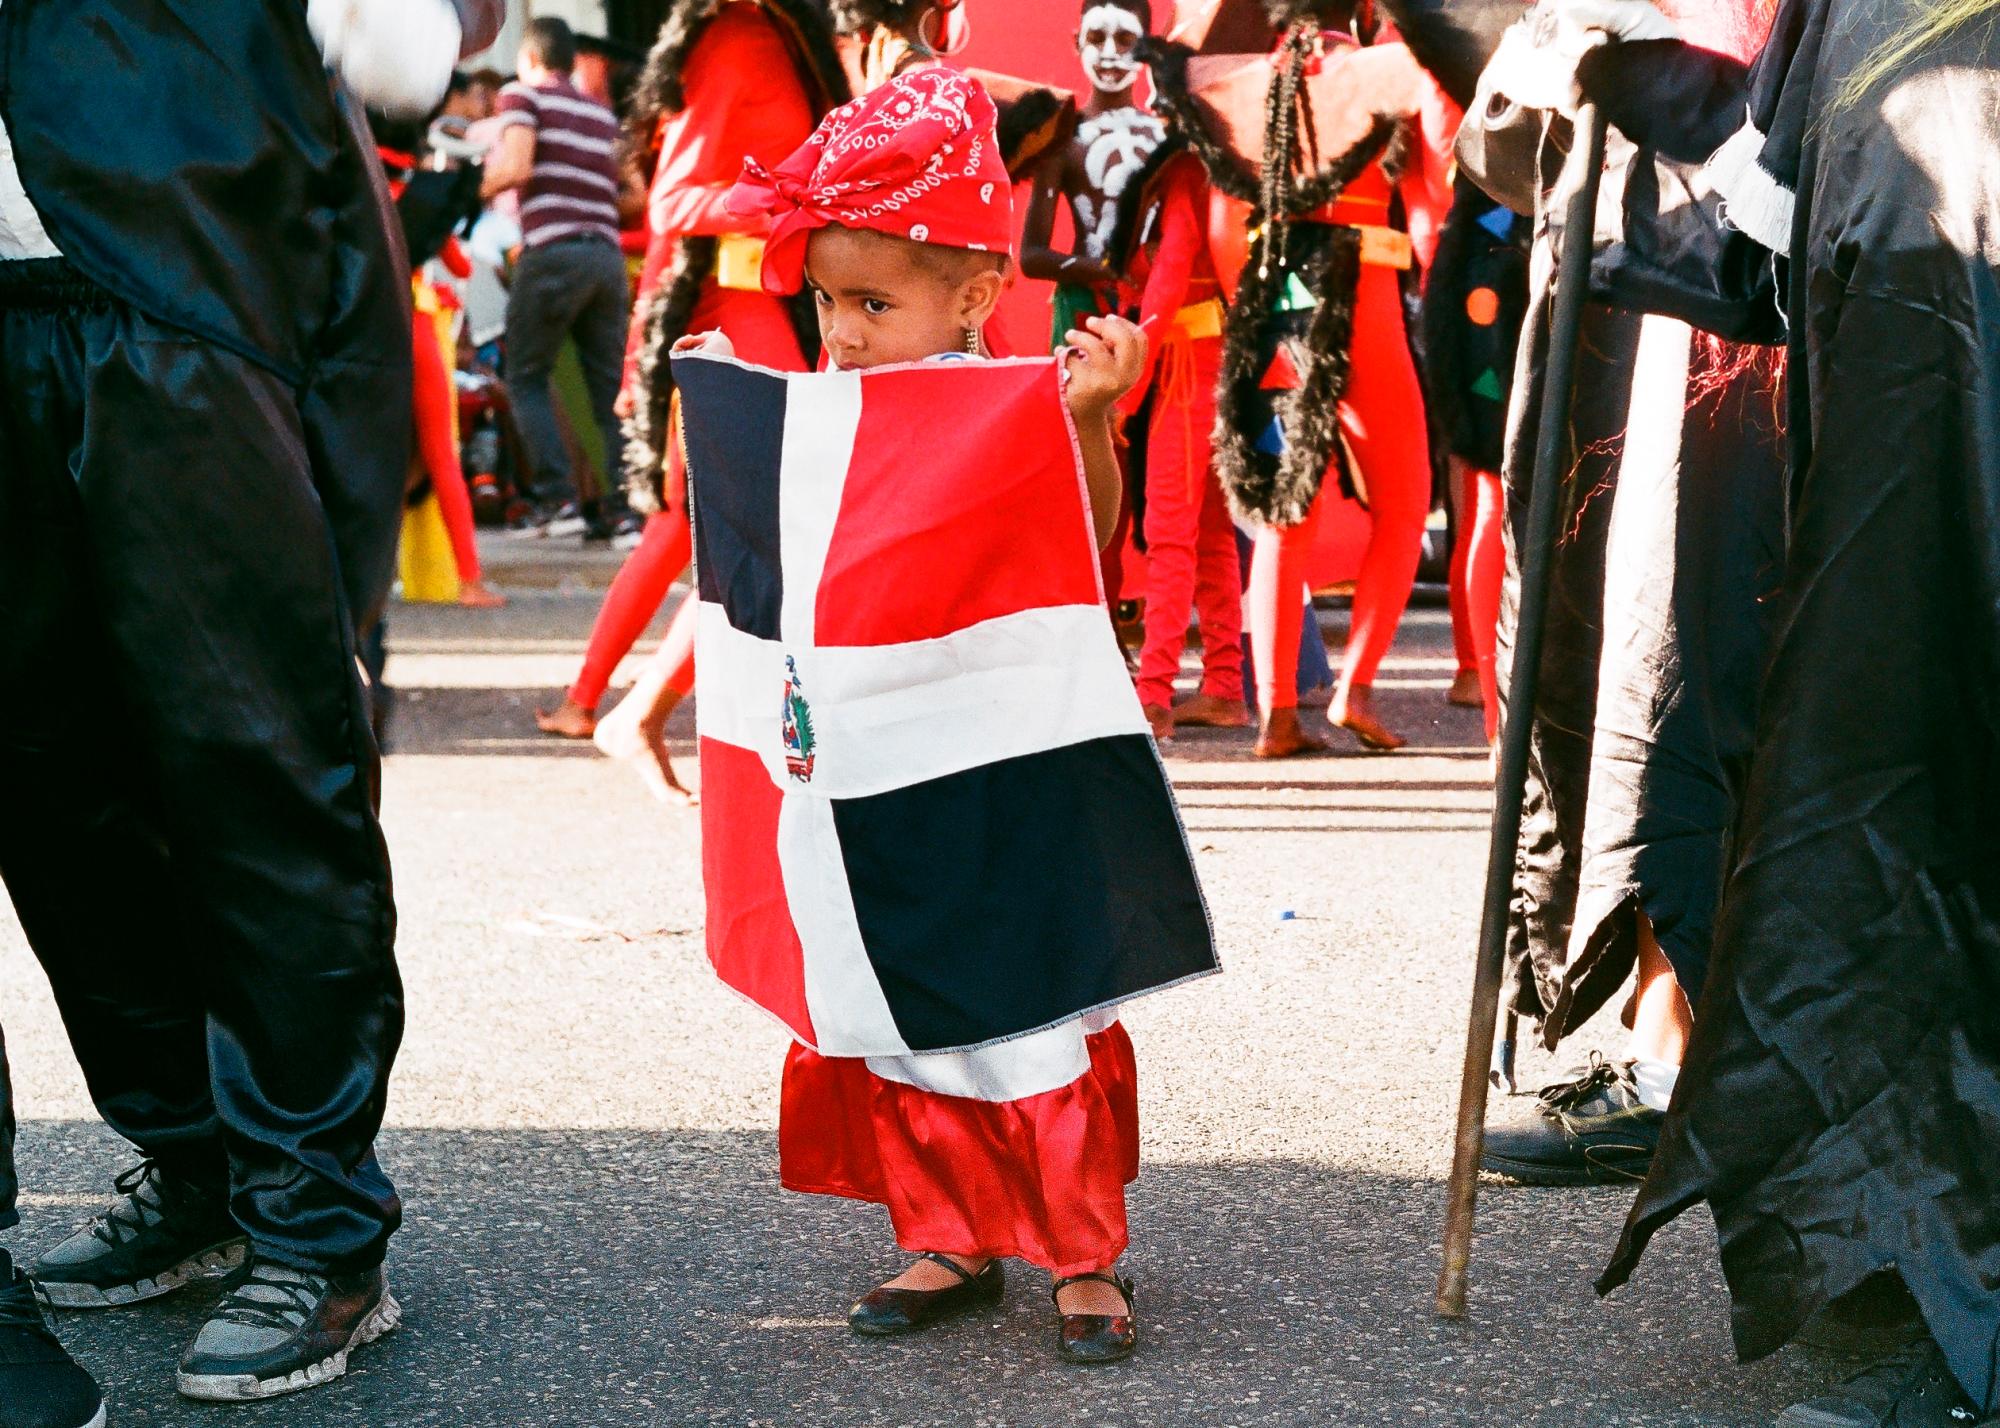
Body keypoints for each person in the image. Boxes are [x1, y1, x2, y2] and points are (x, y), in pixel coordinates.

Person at [1492, 0, 2000, 1420]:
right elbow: (1765, 228)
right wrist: (1632, 84)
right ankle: (1952, 1276)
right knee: (1916, 868)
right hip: (1899, 523)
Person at [0, 0, 499, 1410]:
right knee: (48, 792)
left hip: (188, 302)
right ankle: (199, 1164)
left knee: (256, 772)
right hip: (20, 317)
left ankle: (319, 1222)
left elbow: (406, 50)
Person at [687, 66, 1180, 1365]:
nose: (840, 331)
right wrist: (728, 410)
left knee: (1031, 998)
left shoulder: (1012, 401)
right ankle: (947, 1229)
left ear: (972, 296)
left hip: (1010, 765)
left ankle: (1082, 1250)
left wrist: (1089, 421)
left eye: (873, 303)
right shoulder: (825, 417)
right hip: (873, 765)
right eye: (827, 301)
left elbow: (1090, 538)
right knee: (900, 989)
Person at [1448, 0, 1786, 1191]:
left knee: (1698, 691)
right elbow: (1500, 154)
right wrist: (1560, 62)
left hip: (1749, 361)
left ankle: (1684, 1067)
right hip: (1645, 345)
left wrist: (1649, 77)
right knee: (1644, 690)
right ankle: (1669, 1049)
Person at [532, 0, 848, 806]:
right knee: (763, 524)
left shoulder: (780, 34)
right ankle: (624, 709)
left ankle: (610, 708)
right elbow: (674, 198)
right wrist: (786, 203)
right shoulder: (740, 35)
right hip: (731, 311)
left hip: (773, 307)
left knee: (698, 527)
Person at [1149, 0, 1457, 757]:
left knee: (1286, 512)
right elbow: (1429, 217)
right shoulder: (1386, 68)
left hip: (1269, 310)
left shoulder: (1235, 85)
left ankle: (1276, 715)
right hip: (1366, 303)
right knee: (1407, 494)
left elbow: (1222, 229)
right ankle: (1353, 687)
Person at [1105, 99, 1250, 740]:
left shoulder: (1187, 171)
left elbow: (1165, 282)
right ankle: (1223, 685)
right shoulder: (1215, 167)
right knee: (1212, 538)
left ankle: (1154, 696)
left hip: (1189, 372)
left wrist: (1123, 394)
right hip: (1221, 368)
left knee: (1169, 536)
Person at [482, 18, 632, 534]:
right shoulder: (601, 115)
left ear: (529, 59)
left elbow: (518, 166)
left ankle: (557, 500)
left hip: (552, 253)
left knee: (523, 376)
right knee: (605, 388)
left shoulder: (522, 97)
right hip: (606, 259)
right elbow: (634, 192)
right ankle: (620, 512)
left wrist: (462, 190)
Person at [1423, 174, 1528, 739]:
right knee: (1493, 493)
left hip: (1484, 267)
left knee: (1491, 498)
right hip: (1506, 270)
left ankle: (1493, 705)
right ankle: (1495, 710)